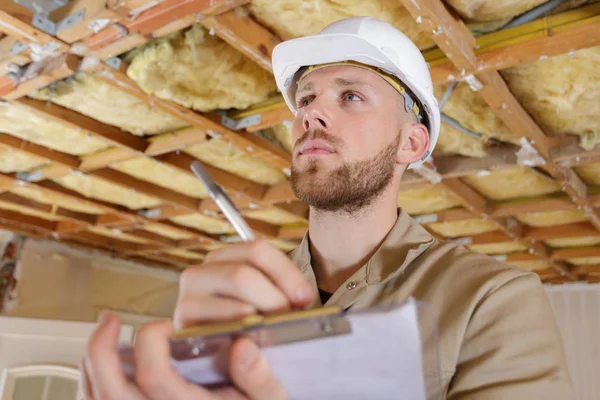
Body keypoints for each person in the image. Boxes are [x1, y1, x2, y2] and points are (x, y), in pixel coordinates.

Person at [82, 16, 576, 399]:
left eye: (352, 96)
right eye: (307, 98)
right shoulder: (239, 299)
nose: (311, 112)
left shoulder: (491, 298)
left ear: (411, 142)